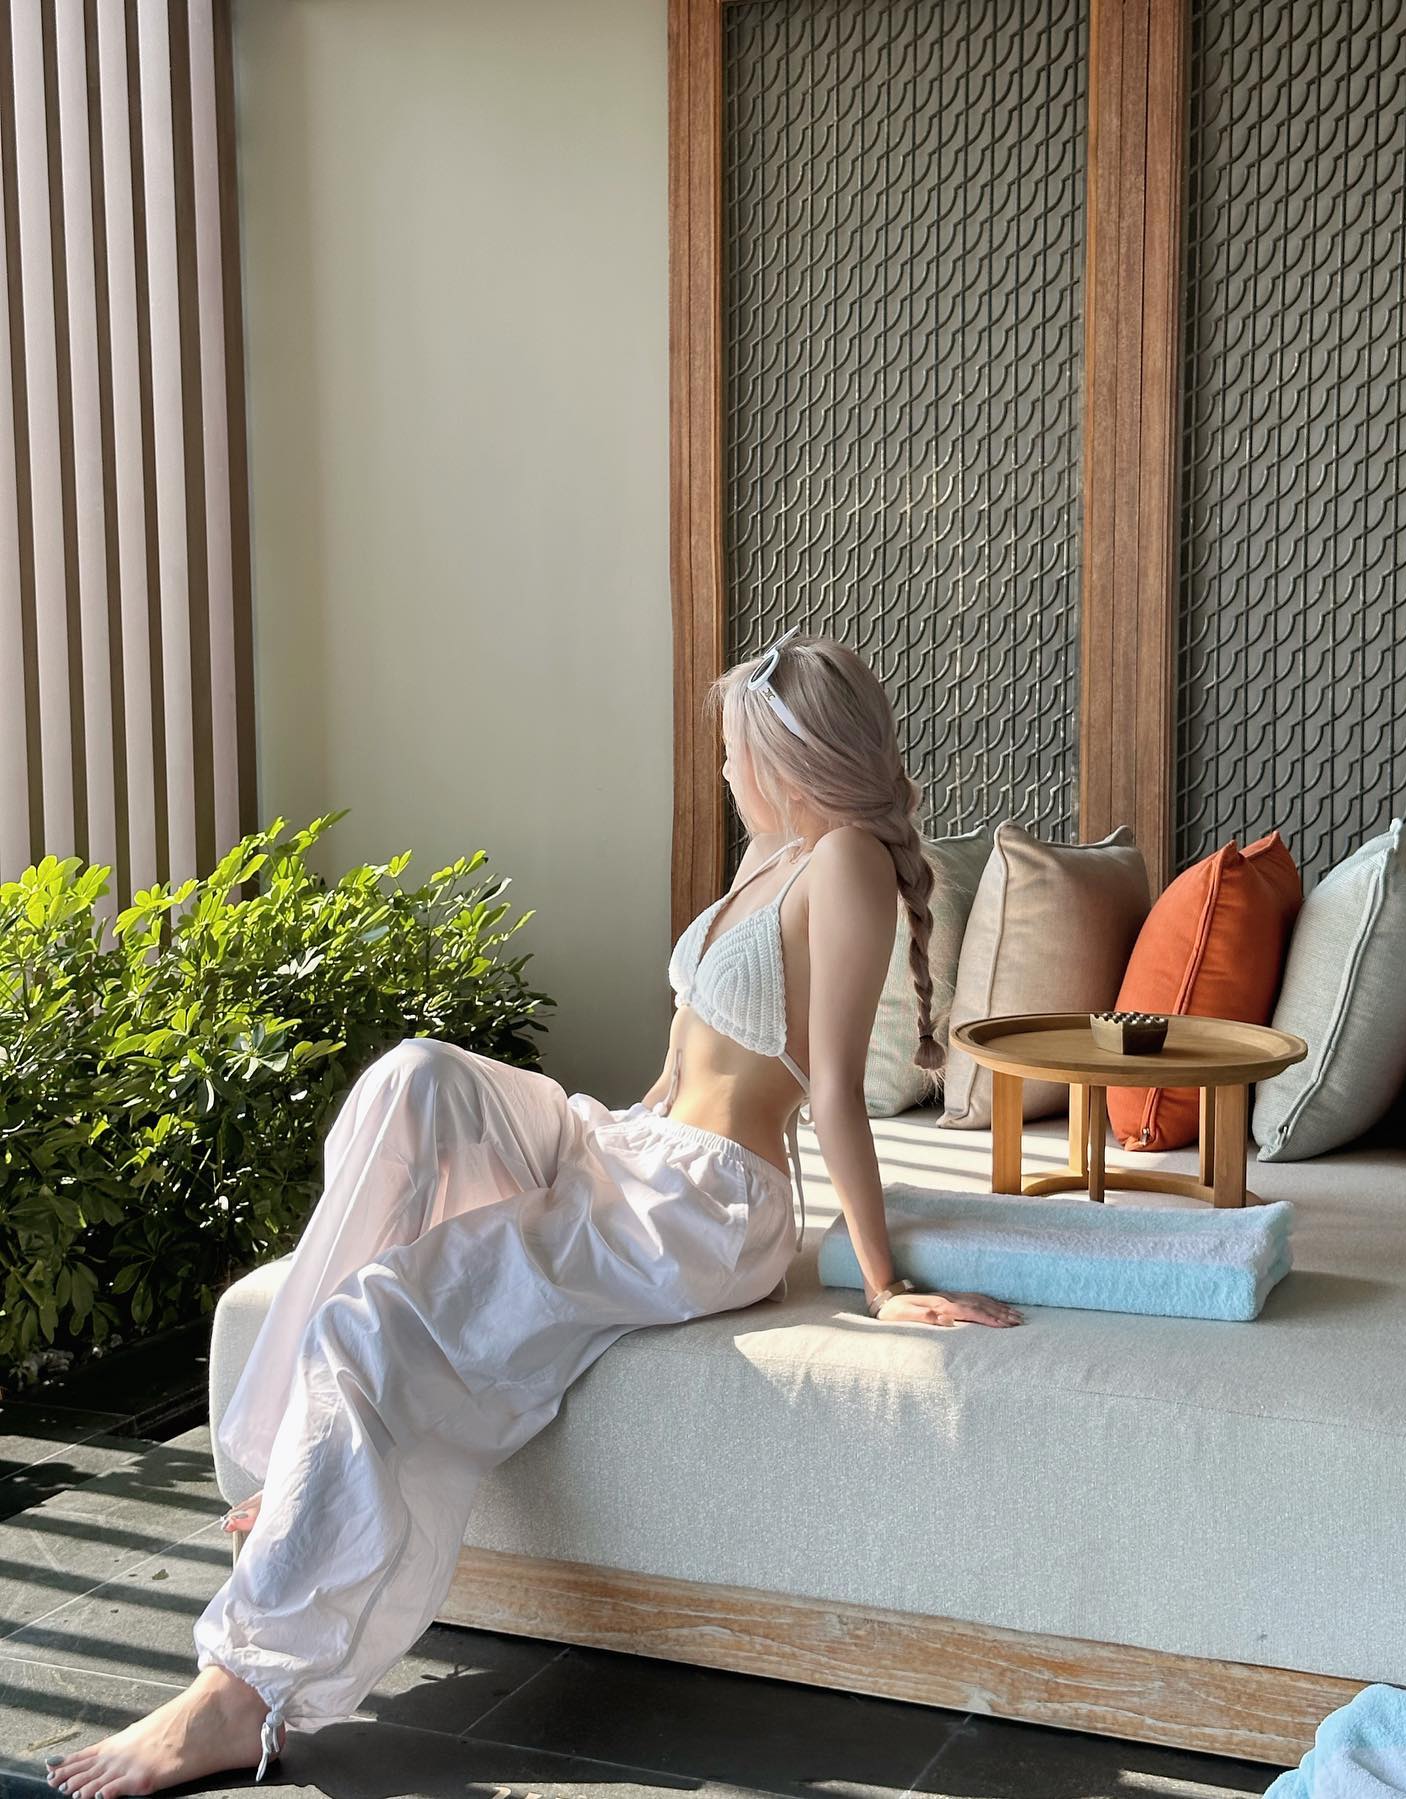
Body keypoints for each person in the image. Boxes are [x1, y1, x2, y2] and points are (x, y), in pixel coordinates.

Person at [40, 627, 1022, 1799]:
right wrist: (595, 1139)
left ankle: (240, 1690)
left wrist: (881, 1281)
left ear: (785, 751)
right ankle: (300, 1453)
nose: (722, 769)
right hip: (632, 1144)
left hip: (702, 1202)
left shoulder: (846, 861)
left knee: (377, 1315)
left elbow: (836, 1090)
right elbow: (683, 1057)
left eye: (731, 749)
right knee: (417, 1079)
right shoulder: (770, 853)